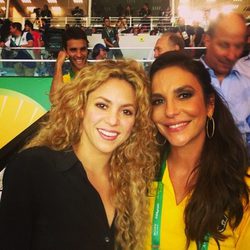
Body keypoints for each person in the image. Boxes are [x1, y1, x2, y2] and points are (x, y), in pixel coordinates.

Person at [0, 60, 158, 250]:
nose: (113, 120)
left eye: (126, 111)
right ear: (81, 108)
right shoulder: (33, 167)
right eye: (102, 105)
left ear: (135, 122)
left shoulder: (132, 180)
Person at [146, 51, 250, 249]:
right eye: (158, 100)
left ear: (209, 105)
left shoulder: (242, 188)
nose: (170, 111)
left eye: (184, 95)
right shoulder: (138, 174)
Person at [200, 12, 250, 159]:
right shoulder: (188, 80)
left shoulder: (247, 84)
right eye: (224, 45)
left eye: (238, 46)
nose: (232, 55)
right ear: (207, 40)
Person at [50, 27, 88, 98]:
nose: (79, 55)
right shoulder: (65, 80)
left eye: (83, 49)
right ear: (66, 52)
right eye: (73, 50)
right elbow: (55, 100)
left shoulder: (98, 75)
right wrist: (58, 65)